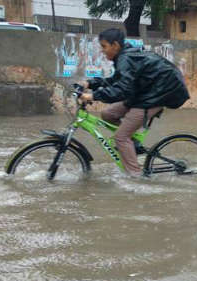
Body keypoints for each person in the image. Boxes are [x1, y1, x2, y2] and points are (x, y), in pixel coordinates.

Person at [79, 28, 190, 177]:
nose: (102, 51)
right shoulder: (125, 57)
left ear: (115, 45)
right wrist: (90, 83)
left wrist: (93, 96)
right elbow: (116, 81)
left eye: (104, 46)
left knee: (120, 137)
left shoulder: (126, 58)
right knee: (107, 114)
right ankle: (132, 144)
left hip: (155, 97)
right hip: (144, 93)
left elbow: (121, 90)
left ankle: (135, 176)